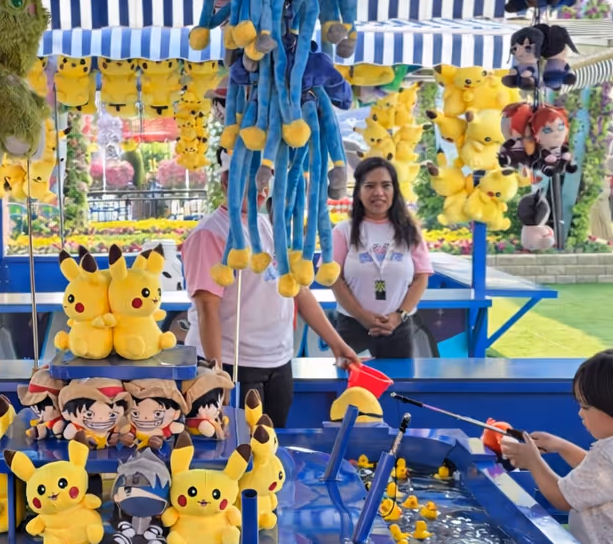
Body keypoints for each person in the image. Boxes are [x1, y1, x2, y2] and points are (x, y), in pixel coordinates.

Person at [181, 163, 359, 429]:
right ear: (226, 182)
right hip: (234, 364)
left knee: (271, 451)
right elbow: (208, 309)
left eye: (266, 179)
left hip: (278, 362)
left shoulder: (267, 226)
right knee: (239, 453)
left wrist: (337, 344)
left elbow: (298, 289)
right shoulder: (210, 233)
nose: (262, 187)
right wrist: (217, 375)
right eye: (253, 179)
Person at [501, 349, 613, 544]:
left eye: (586, 407)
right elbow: (608, 481)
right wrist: (563, 447)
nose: (580, 413)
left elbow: (562, 497)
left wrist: (532, 461)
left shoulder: (607, 454)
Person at [330, 156, 431, 358]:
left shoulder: (410, 231)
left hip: (399, 329)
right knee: (351, 388)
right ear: (358, 191)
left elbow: (421, 277)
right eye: (370, 186)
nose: (378, 192)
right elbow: (334, 279)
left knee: (397, 388)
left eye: (386, 185)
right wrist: (362, 316)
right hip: (352, 326)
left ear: (395, 191)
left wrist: (398, 316)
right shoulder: (343, 231)